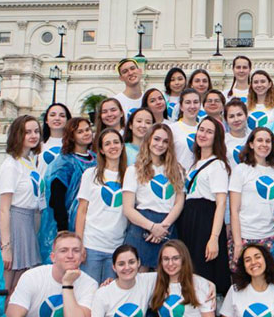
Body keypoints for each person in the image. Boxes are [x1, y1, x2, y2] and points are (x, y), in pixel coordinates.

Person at [179, 116, 231, 297]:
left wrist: (214, 237)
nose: (203, 134)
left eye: (209, 132)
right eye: (201, 130)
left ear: (216, 138)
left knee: (203, 273)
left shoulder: (218, 165)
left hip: (205, 222)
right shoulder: (194, 163)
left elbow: (221, 202)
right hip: (189, 220)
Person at [122, 123, 185, 269]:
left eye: (165, 141)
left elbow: (179, 203)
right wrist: (152, 227)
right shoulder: (133, 170)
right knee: (139, 277)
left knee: (164, 278)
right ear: (148, 140)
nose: (160, 144)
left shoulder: (177, 170)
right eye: (156, 139)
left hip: (167, 226)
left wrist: (163, 228)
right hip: (141, 226)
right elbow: (128, 209)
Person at [229, 127, 274, 277]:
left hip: (270, 237)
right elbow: (234, 210)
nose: (264, 144)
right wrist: (238, 242)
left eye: (268, 141)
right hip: (246, 235)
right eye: (260, 140)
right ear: (251, 144)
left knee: (269, 281)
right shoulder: (241, 170)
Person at [74, 128, 127, 283]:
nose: (113, 146)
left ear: (122, 146)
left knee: (110, 298)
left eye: (116, 142)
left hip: (117, 246)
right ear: (102, 150)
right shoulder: (90, 174)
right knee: (88, 294)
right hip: (92, 245)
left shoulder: (131, 175)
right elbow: (82, 211)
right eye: (108, 144)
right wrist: (79, 244)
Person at [39, 117, 96, 262]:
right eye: (80, 131)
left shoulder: (96, 159)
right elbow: (56, 198)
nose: (86, 134)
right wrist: (63, 228)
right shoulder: (64, 162)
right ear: (71, 136)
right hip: (69, 221)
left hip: (93, 220)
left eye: (87, 130)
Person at [0, 115, 43, 290]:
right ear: (18, 135)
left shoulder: (30, 160)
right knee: (6, 286)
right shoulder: (11, 165)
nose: (33, 136)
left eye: (36, 131)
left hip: (28, 222)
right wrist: (6, 247)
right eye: (27, 132)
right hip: (14, 223)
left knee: (19, 287)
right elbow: (4, 209)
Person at [7, 231, 98, 317]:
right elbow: (13, 315)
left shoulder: (90, 284)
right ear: (53, 257)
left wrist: (67, 285)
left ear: (82, 257)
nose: (70, 255)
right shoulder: (32, 277)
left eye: (76, 250)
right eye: (63, 250)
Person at [147, 240, 215, 317]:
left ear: (183, 259)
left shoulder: (199, 284)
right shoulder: (154, 280)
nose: (170, 263)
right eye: (166, 259)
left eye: (175, 258)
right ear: (161, 261)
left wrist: (210, 284)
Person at [221, 244, 274, 317]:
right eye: (247, 260)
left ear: (266, 260)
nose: (253, 262)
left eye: (257, 257)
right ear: (244, 266)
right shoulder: (234, 290)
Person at [89, 244, 155, 317]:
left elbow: (167, 272)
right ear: (114, 267)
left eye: (131, 262)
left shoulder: (147, 280)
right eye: (121, 264)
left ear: (138, 262)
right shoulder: (102, 294)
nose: (127, 267)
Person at [170, 88, 202, 170]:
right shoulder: (171, 129)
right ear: (181, 106)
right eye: (188, 102)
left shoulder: (204, 129)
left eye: (196, 102)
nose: (192, 106)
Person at [41, 103, 71, 168]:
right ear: (46, 120)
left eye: (62, 116)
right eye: (52, 115)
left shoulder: (75, 146)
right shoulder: (38, 146)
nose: (57, 118)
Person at [224, 99, 250, 169]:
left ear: (246, 116)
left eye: (239, 115)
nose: (236, 119)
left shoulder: (253, 139)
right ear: (226, 120)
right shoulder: (221, 141)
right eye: (231, 116)